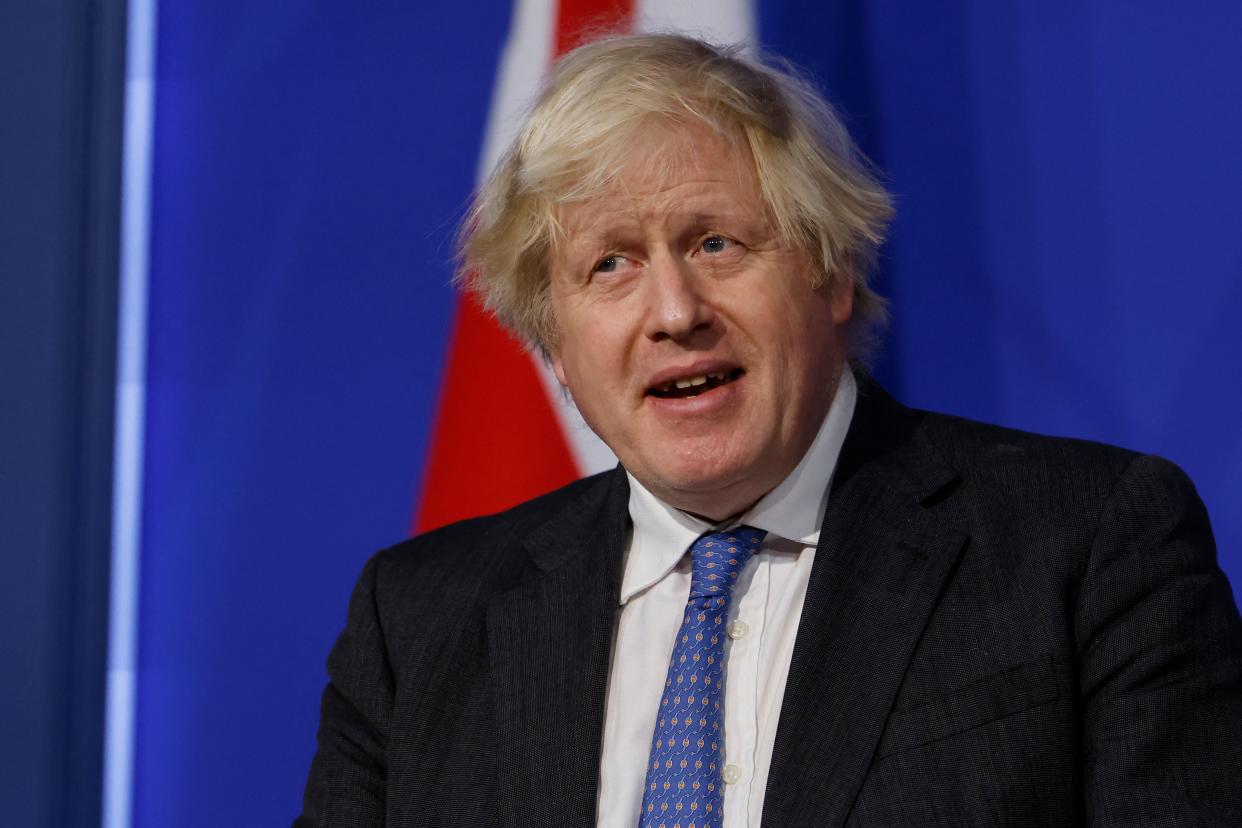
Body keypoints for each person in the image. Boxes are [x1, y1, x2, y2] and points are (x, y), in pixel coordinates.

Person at [296, 34, 1242, 827]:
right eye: (610, 265)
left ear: (831, 274)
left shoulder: (1085, 546)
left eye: (717, 243)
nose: (674, 311)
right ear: (552, 339)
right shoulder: (417, 623)